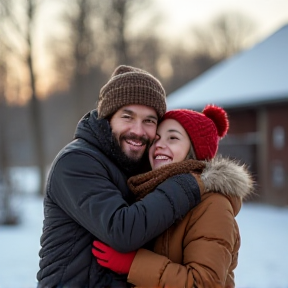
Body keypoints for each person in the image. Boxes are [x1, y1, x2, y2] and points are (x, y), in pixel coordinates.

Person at [36, 65, 204, 288]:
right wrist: (186, 184)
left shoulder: (136, 165)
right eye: (127, 116)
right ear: (108, 117)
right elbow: (122, 231)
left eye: (149, 121)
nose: (138, 130)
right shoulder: (76, 162)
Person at [92, 105, 254, 287]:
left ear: (194, 151)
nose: (159, 145)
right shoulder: (151, 195)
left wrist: (134, 264)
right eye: (156, 139)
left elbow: (203, 283)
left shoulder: (213, 204)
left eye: (173, 138)